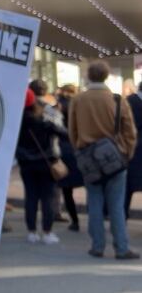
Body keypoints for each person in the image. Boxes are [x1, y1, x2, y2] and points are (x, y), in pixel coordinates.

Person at [69, 61, 139, 259]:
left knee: (94, 202)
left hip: (89, 158)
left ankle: (97, 245)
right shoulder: (117, 100)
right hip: (115, 158)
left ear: (89, 76)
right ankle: (121, 247)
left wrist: (79, 150)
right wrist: (127, 153)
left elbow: (72, 131)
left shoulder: (79, 100)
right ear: (106, 76)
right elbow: (130, 131)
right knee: (116, 205)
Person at [16, 88, 68, 244]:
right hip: (46, 163)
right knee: (48, 198)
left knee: (30, 197)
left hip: (26, 163)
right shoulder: (44, 119)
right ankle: (47, 232)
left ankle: (31, 232)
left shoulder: (17, 121)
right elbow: (64, 134)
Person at [55, 83, 83, 231]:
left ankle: (75, 221)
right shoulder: (80, 105)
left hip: (63, 148)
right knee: (90, 186)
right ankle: (96, 219)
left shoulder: (58, 106)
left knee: (67, 189)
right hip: (80, 148)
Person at [125, 80, 142, 219]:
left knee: (128, 186)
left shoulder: (129, 101)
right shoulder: (129, 101)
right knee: (128, 186)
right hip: (133, 148)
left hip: (132, 148)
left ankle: (122, 218)